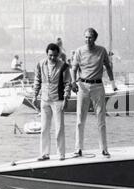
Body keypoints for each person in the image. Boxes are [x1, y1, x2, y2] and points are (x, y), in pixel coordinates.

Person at [71, 27, 118, 158]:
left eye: (90, 37)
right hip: (83, 86)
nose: (88, 40)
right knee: (80, 119)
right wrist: (73, 82)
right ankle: (78, 149)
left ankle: (104, 149)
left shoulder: (101, 50)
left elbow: (108, 67)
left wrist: (113, 83)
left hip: (98, 86)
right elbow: (73, 69)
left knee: (101, 118)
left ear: (95, 38)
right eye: (86, 37)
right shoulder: (79, 51)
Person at [32, 43, 72, 161]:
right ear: (47, 54)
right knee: (44, 128)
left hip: (58, 100)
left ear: (58, 54)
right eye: (50, 55)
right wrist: (35, 96)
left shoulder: (63, 66)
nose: (52, 58)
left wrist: (66, 98)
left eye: (55, 55)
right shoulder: (40, 64)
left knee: (59, 128)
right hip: (45, 100)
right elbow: (37, 80)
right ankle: (45, 153)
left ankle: (61, 154)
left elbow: (67, 83)